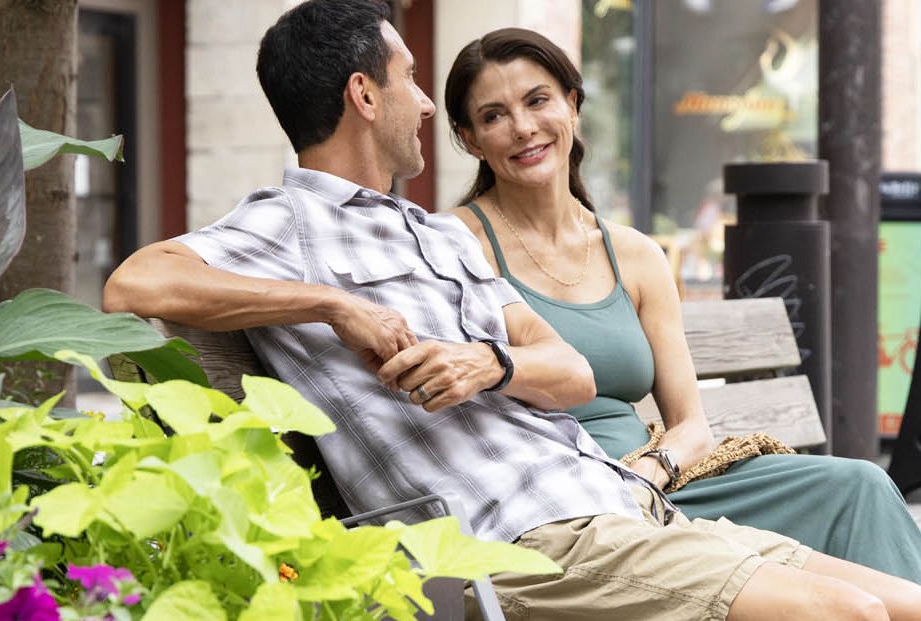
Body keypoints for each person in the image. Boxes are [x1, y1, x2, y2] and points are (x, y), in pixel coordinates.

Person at [104, 1, 921, 618]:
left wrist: (490, 363)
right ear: (363, 94)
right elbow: (134, 284)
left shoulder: (432, 236)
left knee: (900, 600)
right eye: (413, 82)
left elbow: (569, 370)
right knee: (845, 614)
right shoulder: (288, 226)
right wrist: (334, 305)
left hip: (620, 503)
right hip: (521, 538)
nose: (425, 104)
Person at [441, 27, 921, 584]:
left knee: (857, 487)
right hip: (563, 505)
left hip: (659, 483)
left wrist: (647, 474)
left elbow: (690, 425)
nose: (523, 127)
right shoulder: (454, 243)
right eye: (494, 115)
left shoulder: (634, 254)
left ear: (573, 104)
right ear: (471, 139)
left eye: (537, 100)